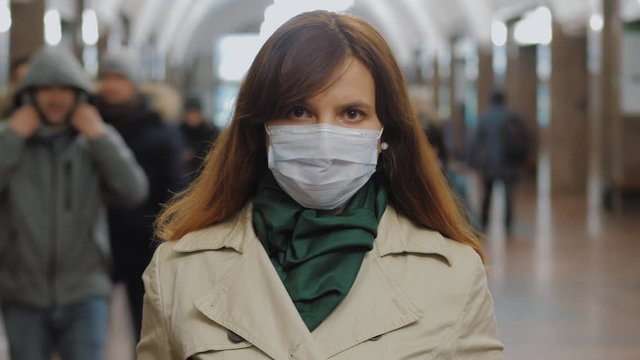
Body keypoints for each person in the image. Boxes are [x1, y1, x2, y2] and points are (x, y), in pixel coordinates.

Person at [138, 11, 503, 360]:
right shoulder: (178, 271)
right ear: (261, 130)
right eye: (299, 111)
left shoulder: (453, 274)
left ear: (384, 133)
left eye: (352, 113)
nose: (324, 137)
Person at [0, 46, 148, 360]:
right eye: (46, 88)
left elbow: (134, 189)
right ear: (30, 93)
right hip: (21, 291)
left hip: (85, 291)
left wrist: (99, 137)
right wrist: (12, 138)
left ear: (78, 93)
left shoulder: (95, 141)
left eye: (64, 88)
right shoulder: (9, 139)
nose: (55, 97)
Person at [94, 51, 186, 339]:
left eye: (119, 78)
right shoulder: (87, 123)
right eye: (107, 78)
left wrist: (162, 240)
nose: (112, 85)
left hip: (141, 241)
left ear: (134, 84)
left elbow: (174, 190)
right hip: (94, 242)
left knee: (145, 326)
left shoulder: (159, 130)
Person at [473, 90, 530, 235]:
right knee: (508, 196)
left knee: (487, 195)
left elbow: (475, 141)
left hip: (489, 163)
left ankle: (484, 224)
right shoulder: (512, 117)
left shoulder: (484, 117)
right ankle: (508, 226)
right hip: (509, 163)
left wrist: (471, 160)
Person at [180, 96, 218, 179]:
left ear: (200, 113)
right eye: (189, 112)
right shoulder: (180, 130)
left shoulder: (210, 131)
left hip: (203, 175)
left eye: (194, 112)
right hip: (183, 176)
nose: (191, 116)